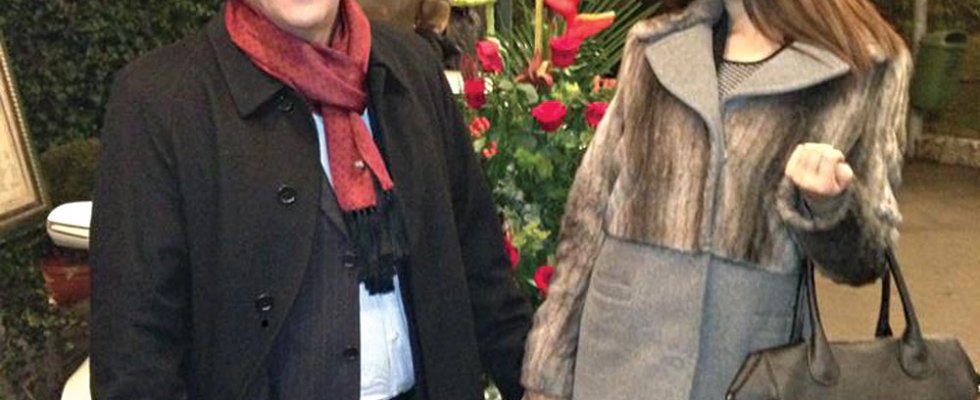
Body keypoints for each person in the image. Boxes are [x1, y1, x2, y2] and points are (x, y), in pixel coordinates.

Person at [90, 0, 532, 399]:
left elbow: (483, 272)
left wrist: (536, 382)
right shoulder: (161, 102)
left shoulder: (411, 67)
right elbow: (135, 358)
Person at [521, 0, 910, 399]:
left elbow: (869, 256)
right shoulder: (654, 45)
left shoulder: (862, 67)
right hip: (618, 360)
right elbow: (587, 216)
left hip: (749, 364)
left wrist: (829, 206)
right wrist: (547, 371)